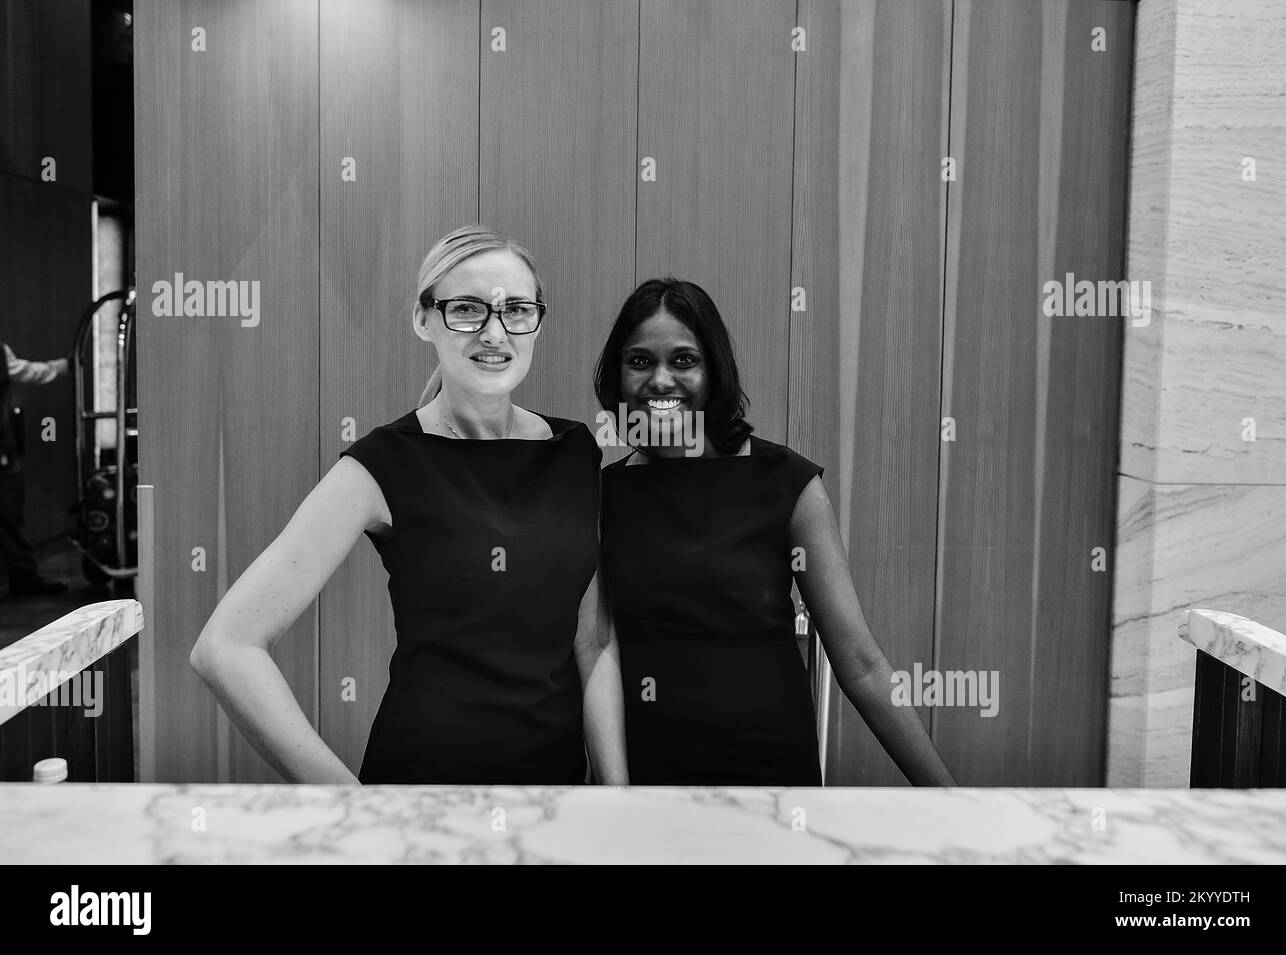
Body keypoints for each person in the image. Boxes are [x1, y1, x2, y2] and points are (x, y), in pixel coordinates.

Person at [191, 225, 627, 785]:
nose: (495, 332)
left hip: (554, 788)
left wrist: (617, 796)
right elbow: (225, 647)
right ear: (424, 320)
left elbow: (589, 645)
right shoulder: (384, 463)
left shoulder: (574, 453)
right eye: (467, 309)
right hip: (421, 788)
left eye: (516, 309)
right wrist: (352, 802)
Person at [594, 277, 957, 786]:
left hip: (772, 778)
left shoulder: (785, 482)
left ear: (713, 369)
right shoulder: (600, 495)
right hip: (645, 779)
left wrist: (951, 799)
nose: (660, 380)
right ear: (618, 375)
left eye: (683, 360)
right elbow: (593, 652)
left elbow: (861, 663)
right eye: (640, 361)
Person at [1, 341, 71, 597]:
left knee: (11, 519)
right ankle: (23, 577)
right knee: (10, 519)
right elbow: (25, 371)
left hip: (5, 456)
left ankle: (24, 577)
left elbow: (24, 370)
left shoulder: (2, 352)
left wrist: (56, 368)